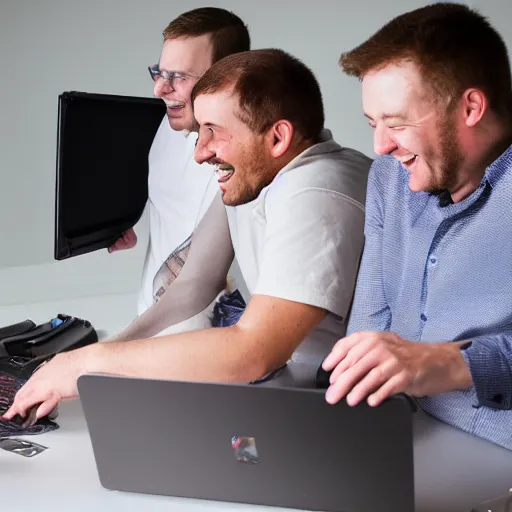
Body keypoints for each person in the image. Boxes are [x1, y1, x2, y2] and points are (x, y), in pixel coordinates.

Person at [4, 48, 371, 422]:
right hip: (282, 388)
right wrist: (90, 360)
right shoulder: (257, 173)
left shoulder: (317, 194)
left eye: (213, 132)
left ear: (278, 137)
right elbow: (194, 283)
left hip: (324, 405)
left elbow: (253, 351)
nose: (199, 154)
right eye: (199, 131)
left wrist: (87, 363)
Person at [322, 2, 512, 450]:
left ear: (471, 107)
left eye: (397, 124)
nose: (380, 145)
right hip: (402, 433)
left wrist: (451, 363)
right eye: (373, 123)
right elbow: (369, 329)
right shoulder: (389, 178)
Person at [109, 7, 251, 340]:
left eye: (179, 77)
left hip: (204, 352)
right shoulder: (169, 121)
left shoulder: (251, 160)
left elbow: (198, 281)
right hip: (148, 331)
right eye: (159, 72)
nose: (160, 88)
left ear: (227, 79)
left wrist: (107, 354)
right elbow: (166, 196)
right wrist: (120, 218)